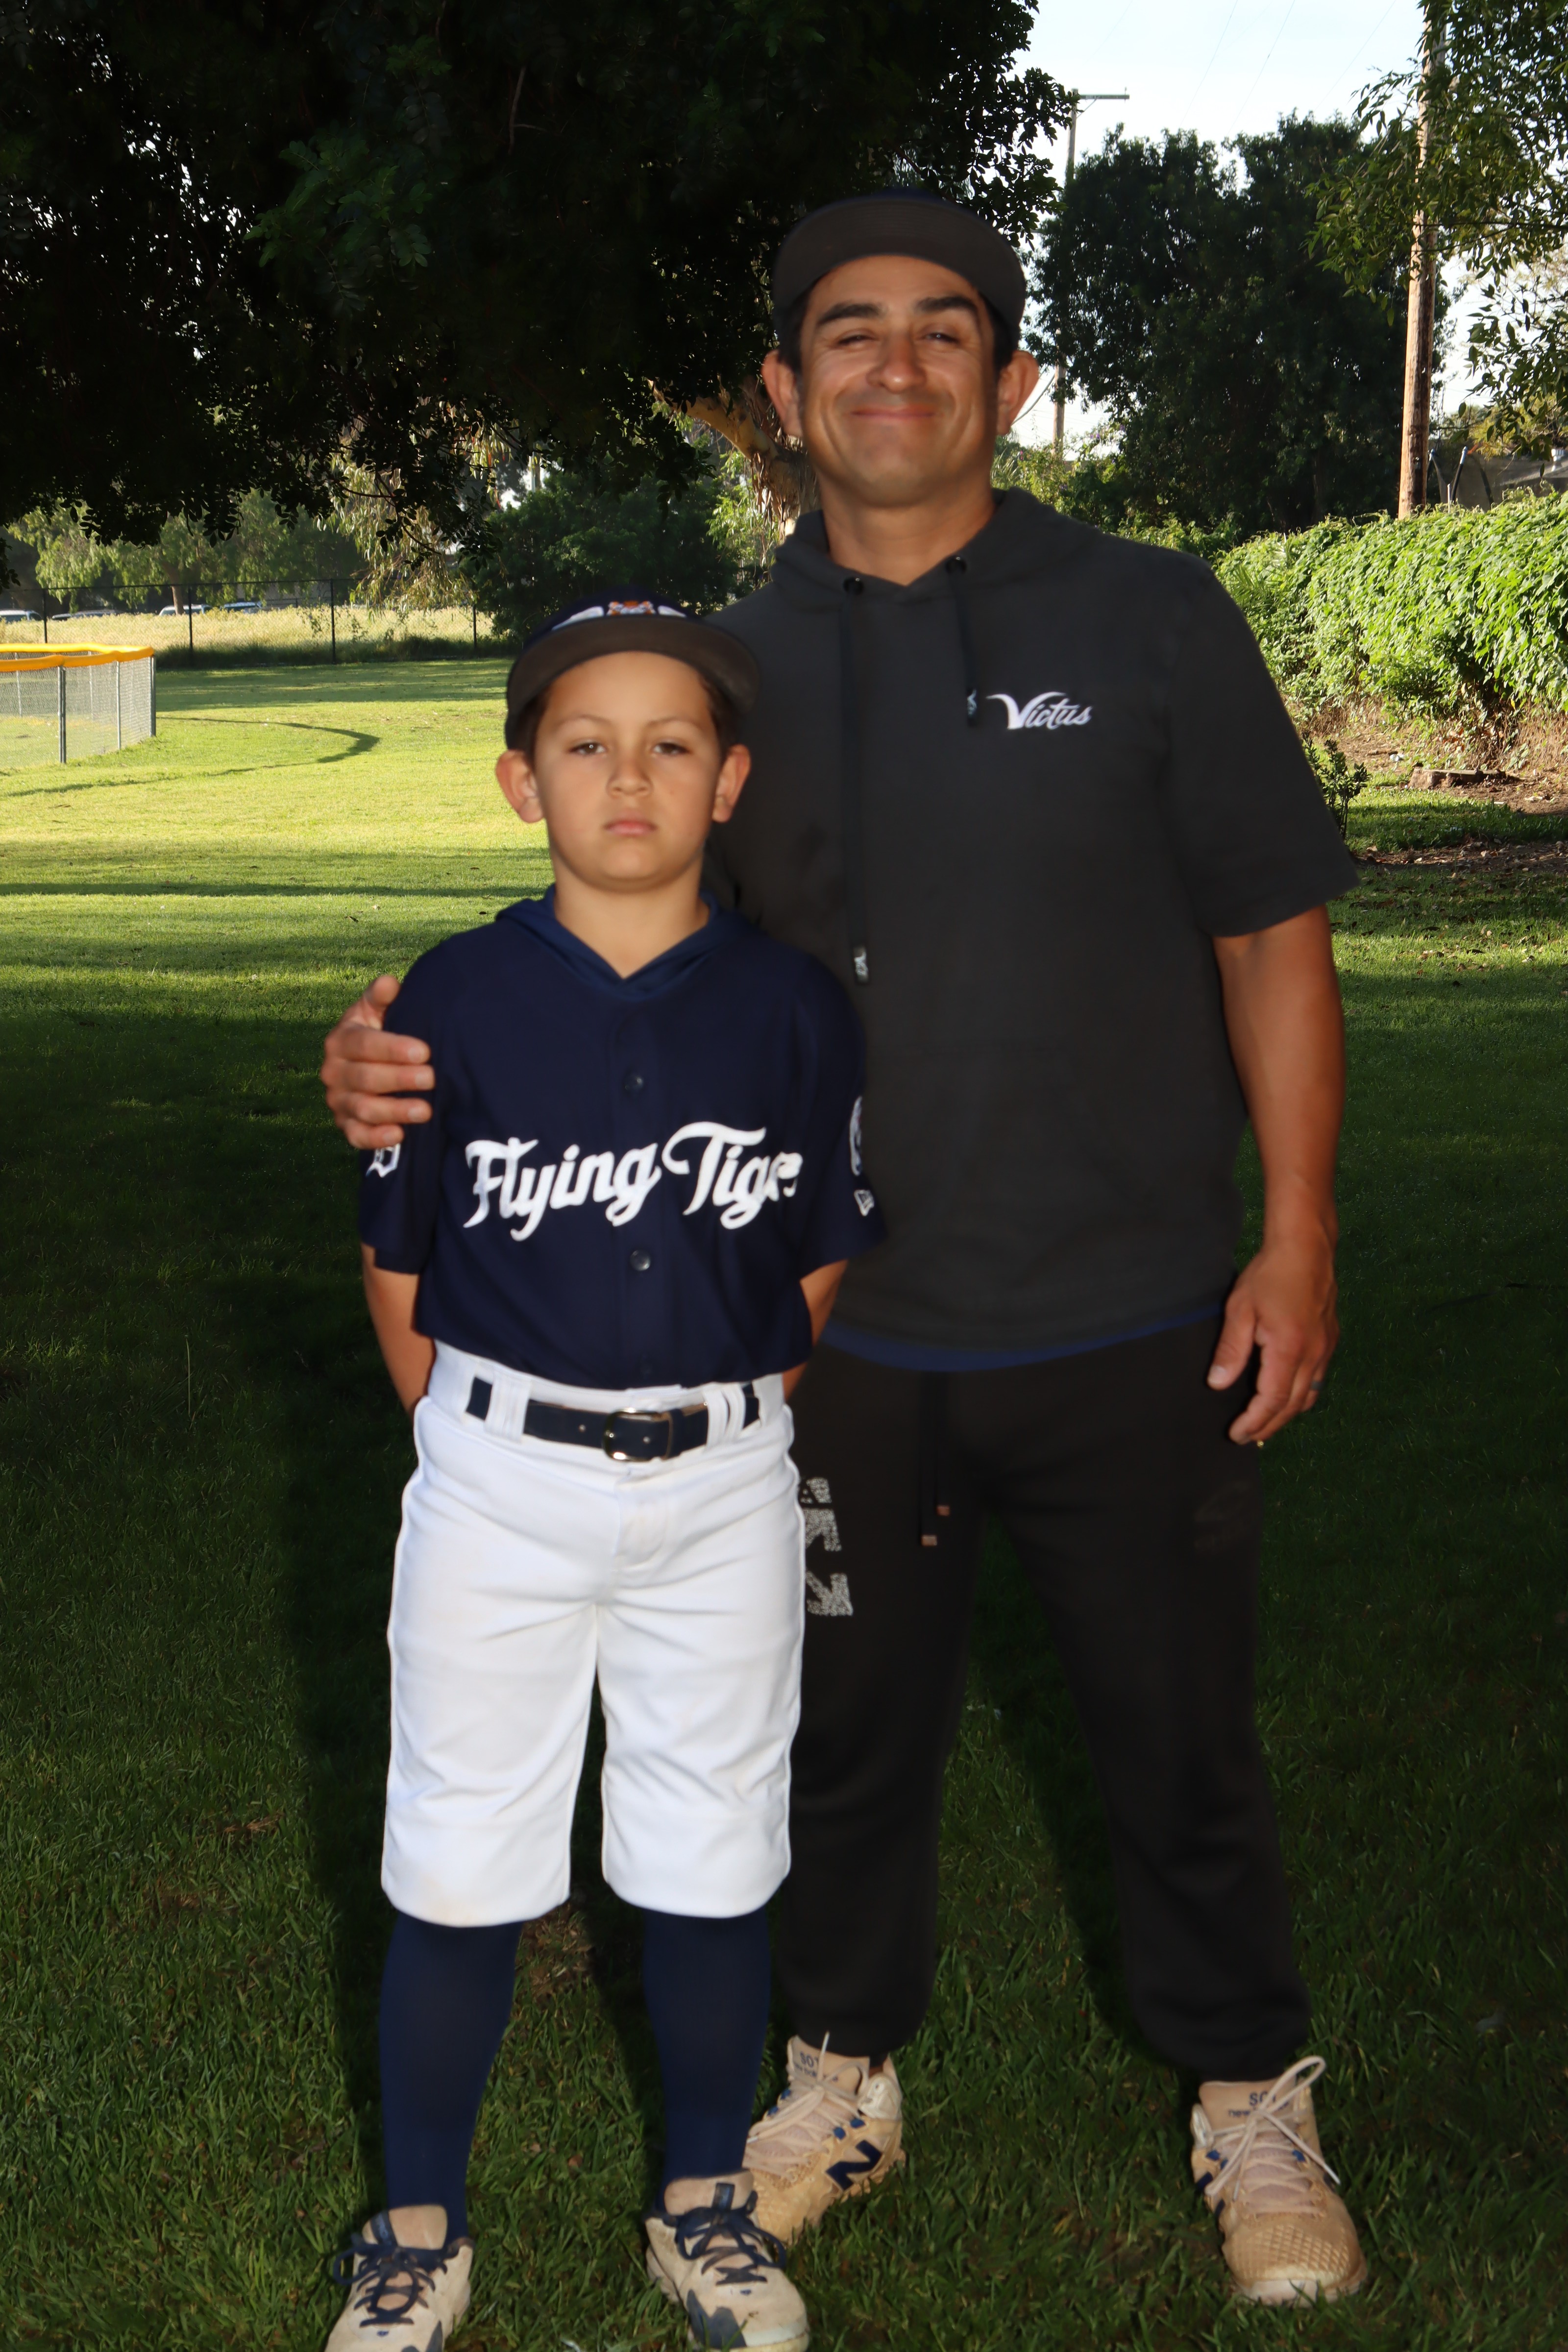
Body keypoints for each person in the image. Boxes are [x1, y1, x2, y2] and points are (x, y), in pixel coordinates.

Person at [321, 191, 1368, 2307]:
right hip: (825, 1334)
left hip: (1135, 1298)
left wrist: (1298, 1229)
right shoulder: (729, 669)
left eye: (943, 329)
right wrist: (392, 1055)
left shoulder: (1151, 617)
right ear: (782, 393)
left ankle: (1249, 2099)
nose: (896, 366)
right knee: (834, 1745)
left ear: (1013, 380)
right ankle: (830, 2077)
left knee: (1179, 1736)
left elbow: (1271, 935)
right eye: (849, 334)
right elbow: (620, 950)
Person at [324, 591, 883, 2352]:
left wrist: (713, 1421)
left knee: (714, 1851)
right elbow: (402, 1271)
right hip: (499, 1478)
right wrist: (484, 1438)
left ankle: (705, 2206)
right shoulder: (452, 998)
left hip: (723, 1485)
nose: (628, 777)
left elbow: (815, 1256)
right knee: (457, 1857)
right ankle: (417, 2228)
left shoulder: (796, 1008)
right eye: (586, 744)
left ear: (730, 782)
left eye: (670, 744)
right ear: (522, 781)